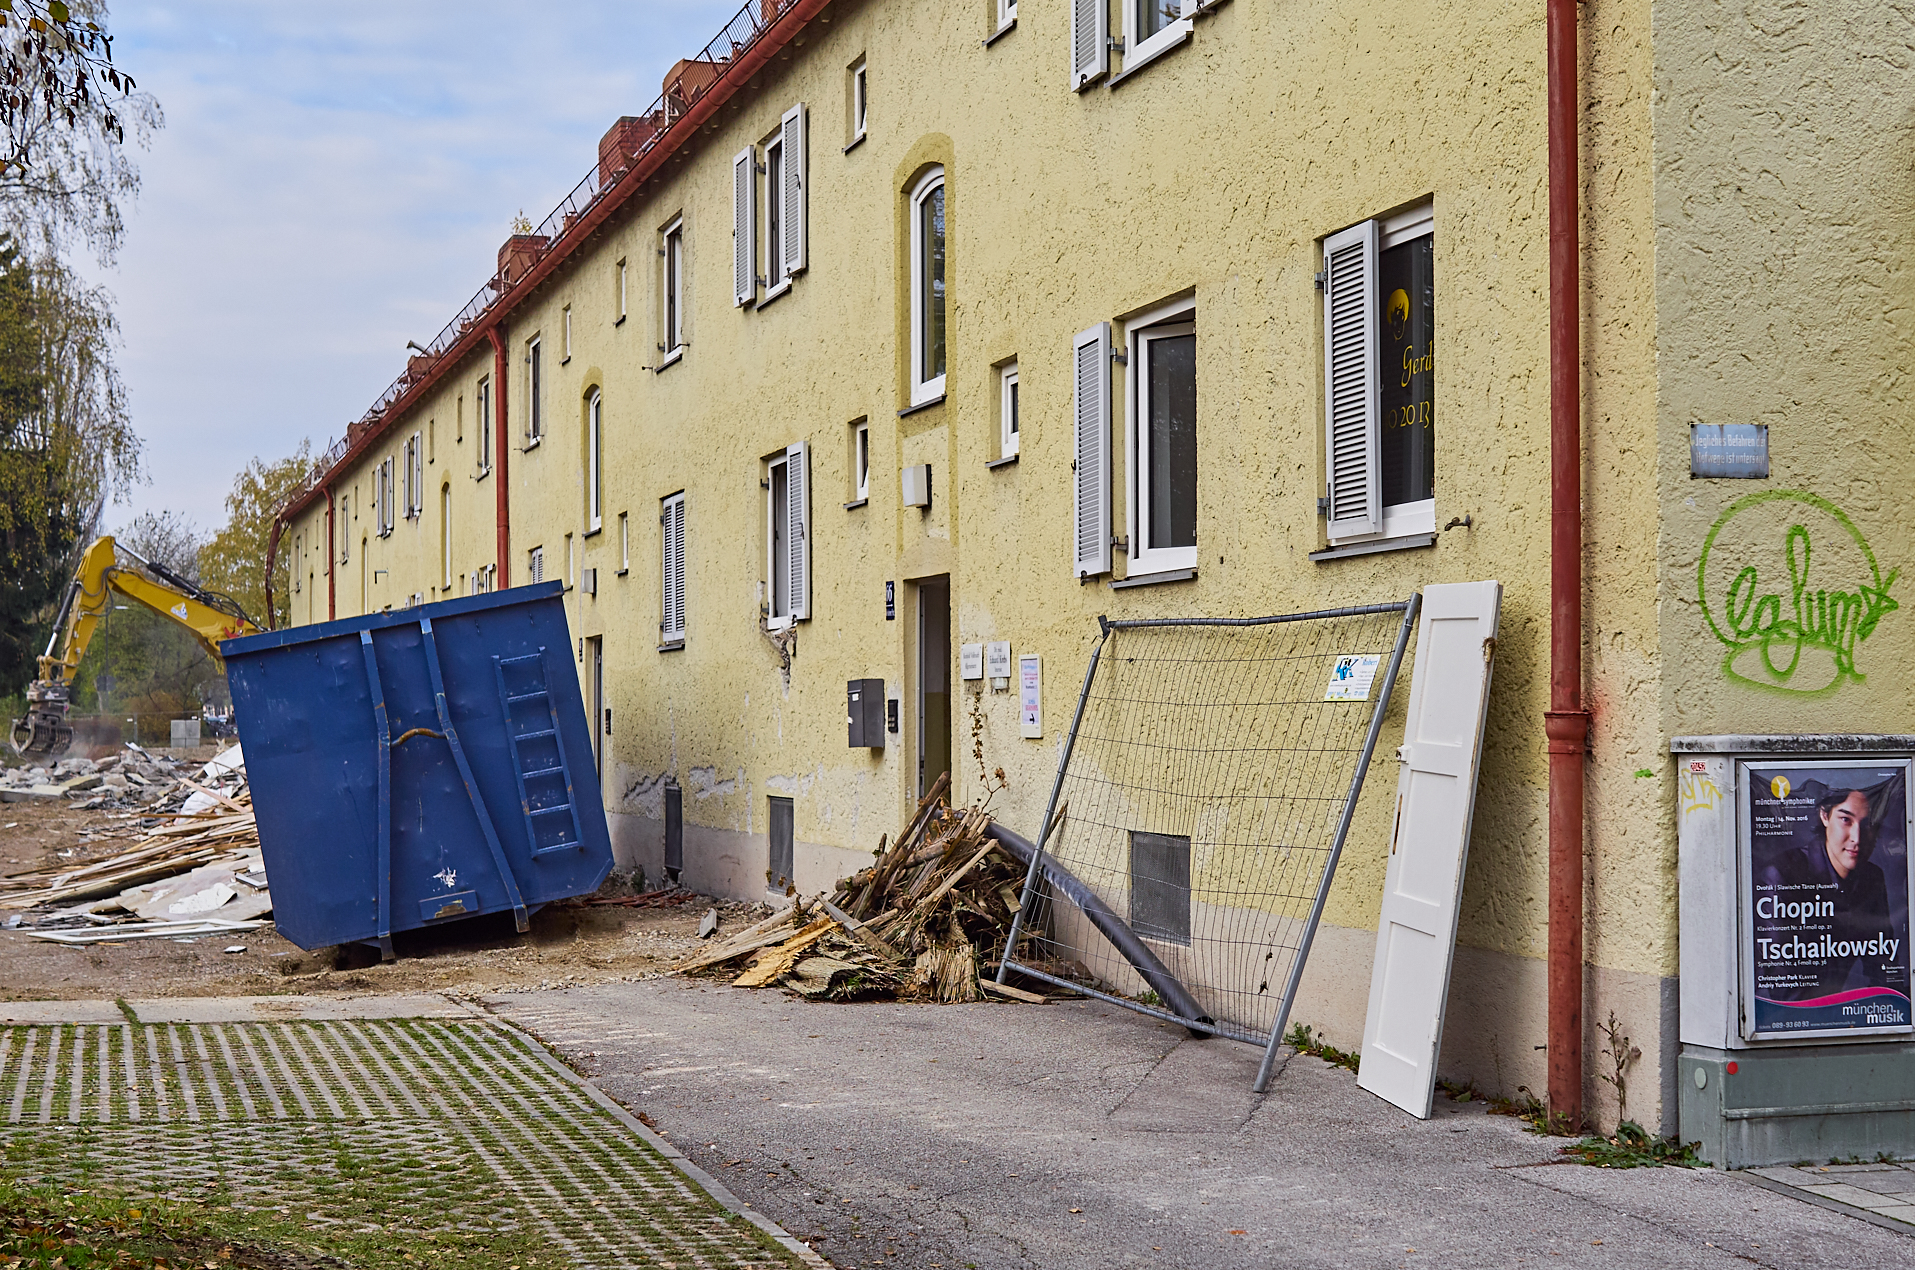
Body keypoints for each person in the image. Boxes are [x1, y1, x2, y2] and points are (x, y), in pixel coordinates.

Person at [1755, 787, 1897, 998]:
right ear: (1824, 816)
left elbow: (1883, 966)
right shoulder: (1781, 874)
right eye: (1846, 820)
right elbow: (1782, 982)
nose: (1856, 838)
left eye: (1865, 824)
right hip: (1781, 1016)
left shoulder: (1871, 877)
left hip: (1838, 1014)